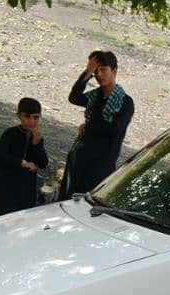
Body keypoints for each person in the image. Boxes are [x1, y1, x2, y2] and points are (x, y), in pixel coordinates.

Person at [59, 50, 134, 199]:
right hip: (80, 158)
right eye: (96, 71)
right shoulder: (95, 96)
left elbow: (114, 130)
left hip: (101, 164)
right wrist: (87, 73)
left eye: (103, 70)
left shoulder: (125, 102)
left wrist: (88, 127)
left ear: (114, 71)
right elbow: (74, 98)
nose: (99, 74)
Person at [0, 97, 48, 216]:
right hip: (7, 186)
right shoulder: (11, 133)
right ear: (19, 116)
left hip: (26, 190)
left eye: (36, 117)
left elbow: (43, 163)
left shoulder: (37, 137)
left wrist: (36, 145)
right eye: (27, 117)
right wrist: (22, 163)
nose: (31, 121)